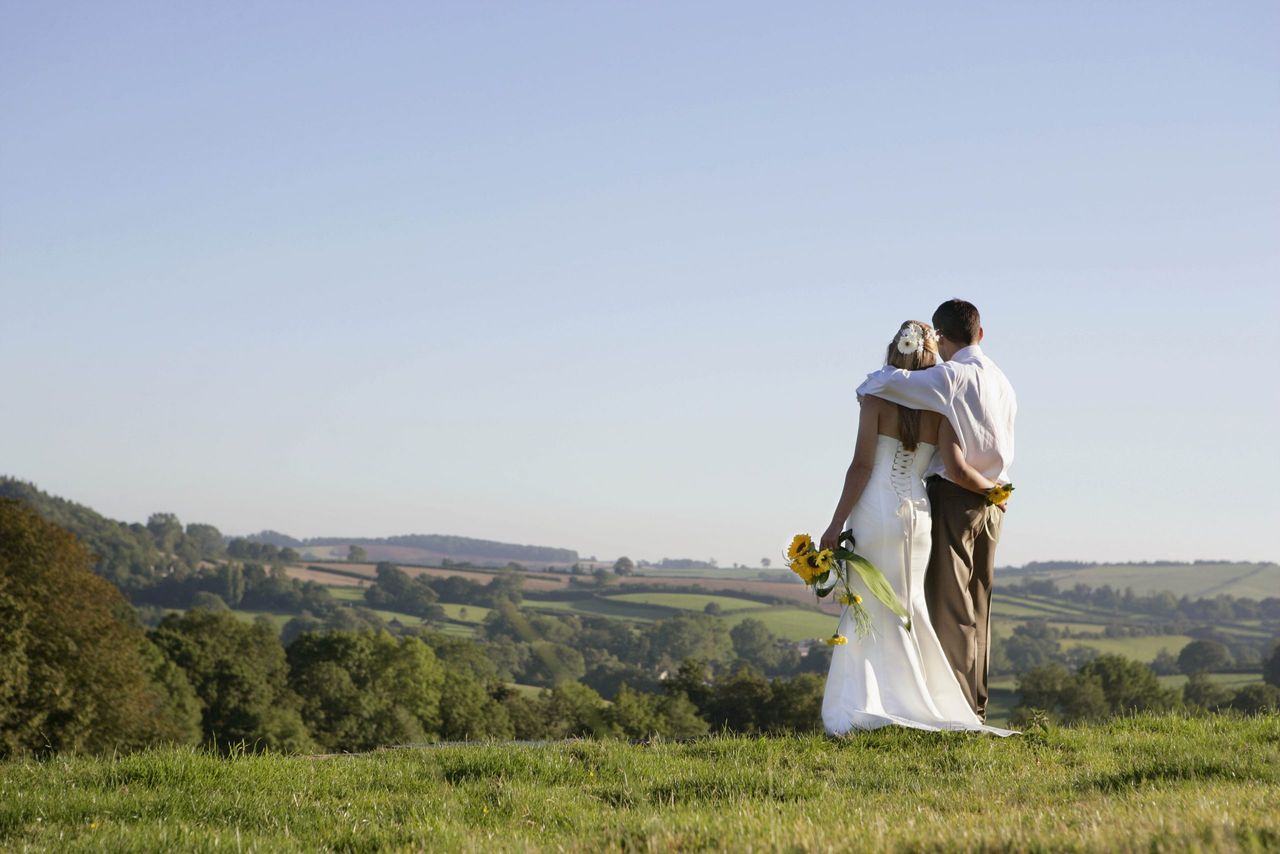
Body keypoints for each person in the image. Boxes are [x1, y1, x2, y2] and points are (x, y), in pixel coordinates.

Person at [818, 318, 1013, 735]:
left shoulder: (873, 400)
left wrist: (835, 524)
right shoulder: (941, 409)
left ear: (893, 356)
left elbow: (861, 467)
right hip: (918, 515)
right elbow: (958, 467)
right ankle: (924, 699)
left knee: (867, 603)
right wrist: (994, 490)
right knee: (910, 605)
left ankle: (869, 700)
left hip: (874, 509)